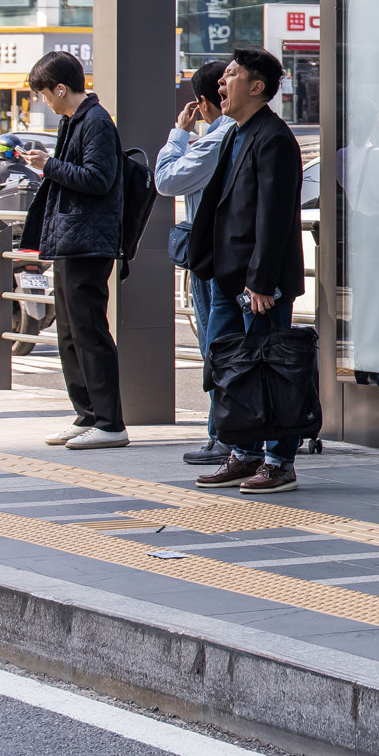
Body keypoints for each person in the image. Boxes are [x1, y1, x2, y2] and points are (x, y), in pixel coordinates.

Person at [189, 48, 307, 495]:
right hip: (226, 275)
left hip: (258, 281)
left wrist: (262, 280)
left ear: (257, 87)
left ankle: (279, 461)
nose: (222, 82)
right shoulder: (236, 132)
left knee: (270, 369)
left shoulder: (274, 137)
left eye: (232, 74)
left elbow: (275, 215)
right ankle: (243, 452)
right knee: (232, 368)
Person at [20, 51, 128, 451]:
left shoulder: (96, 122)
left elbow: (99, 179)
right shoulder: (75, 121)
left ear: (61, 88)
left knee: (89, 330)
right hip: (71, 239)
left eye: (44, 93)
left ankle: (110, 422)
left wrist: (48, 166)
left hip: (88, 241)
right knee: (69, 331)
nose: (43, 101)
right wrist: (48, 165)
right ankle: (86, 415)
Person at [154, 60, 235, 467]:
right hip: (225, 256)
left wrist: (179, 134)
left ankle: (224, 436)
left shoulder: (217, 138)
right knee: (227, 346)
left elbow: (167, 181)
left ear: (205, 101)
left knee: (216, 347)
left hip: (213, 259)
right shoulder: (244, 134)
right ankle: (232, 436)